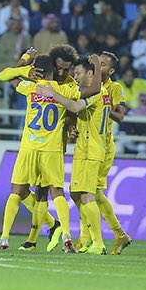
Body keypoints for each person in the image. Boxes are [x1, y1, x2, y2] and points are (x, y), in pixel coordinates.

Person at [0, 45, 101, 252]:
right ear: (53, 66)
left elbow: (5, 77)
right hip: (48, 148)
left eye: (67, 69)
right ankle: (56, 229)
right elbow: (87, 94)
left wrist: (23, 66)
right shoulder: (65, 88)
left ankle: (19, 238)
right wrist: (26, 68)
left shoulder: (34, 86)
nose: (63, 72)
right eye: (59, 68)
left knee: (35, 191)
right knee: (46, 192)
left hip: (43, 146)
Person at [40, 55, 112, 254]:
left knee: (88, 195)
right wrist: (73, 129)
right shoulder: (94, 93)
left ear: (91, 74)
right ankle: (86, 239)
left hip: (91, 151)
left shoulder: (97, 92)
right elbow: (83, 116)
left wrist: (52, 93)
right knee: (76, 193)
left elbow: (75, 106)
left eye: (78, 73)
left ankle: (98, 243)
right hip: (83, 148)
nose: (75, 77)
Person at [95, 52, 131, 255]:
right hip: (87, 143)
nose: (98, 66)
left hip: (103, 145)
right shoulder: (89, 84)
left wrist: (103, 106)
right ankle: (118, 235)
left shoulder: (114, 88)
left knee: (89, 193)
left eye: (103, 64)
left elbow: (120, 116)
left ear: (111, 70)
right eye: (97, 62)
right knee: (85, 193)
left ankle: (92, 239)